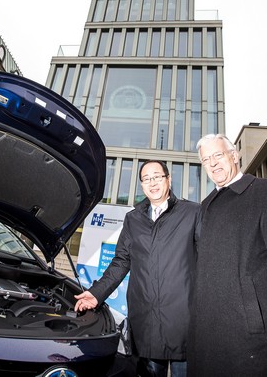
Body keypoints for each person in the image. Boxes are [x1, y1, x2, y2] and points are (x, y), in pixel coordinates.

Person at [188, 134, 267, 376]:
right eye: (206, 160)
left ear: (234, 155)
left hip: (254, 343)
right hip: (207, 342)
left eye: (218, 155)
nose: (213, 163)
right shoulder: (205, 207)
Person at [75, 160, 199, 377]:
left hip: (184, 321)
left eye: (157, 177)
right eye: (146, 179)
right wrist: (96, 294)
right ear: (141, 185)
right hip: (146, 320)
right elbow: (121, 261)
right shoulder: (133, 219)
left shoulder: (192, 213)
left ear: (168, 179)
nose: (152, 183)